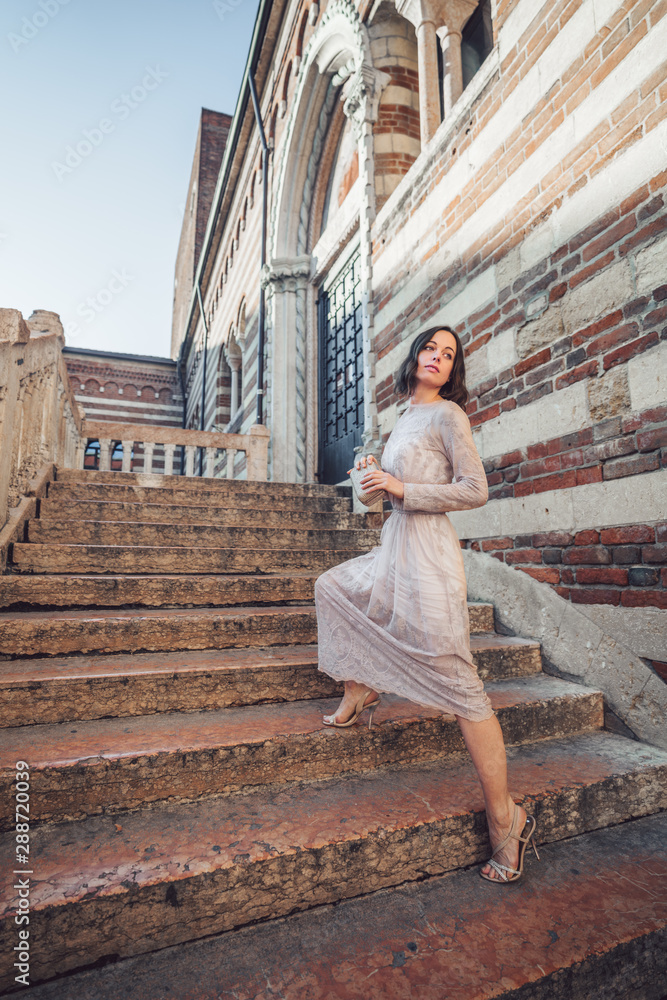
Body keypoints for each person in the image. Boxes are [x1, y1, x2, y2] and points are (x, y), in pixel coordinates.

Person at [314, 325, 540, 884]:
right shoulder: (403, 418)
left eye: (448, 354)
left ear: (452, 368)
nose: (437, 358)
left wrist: (400, 489)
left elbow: (474, 489)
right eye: (430, 349)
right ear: (414, 356)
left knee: (461, 685)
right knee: (333, 588)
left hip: (431, 556)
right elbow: (380, 495)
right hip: (395, 546)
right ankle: (361, 684)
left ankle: (506, 821)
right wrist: (369, 484)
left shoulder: (448, 416)